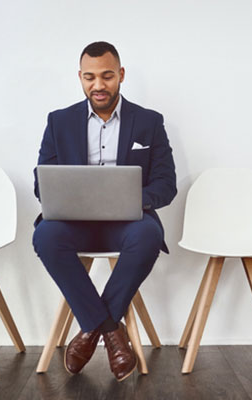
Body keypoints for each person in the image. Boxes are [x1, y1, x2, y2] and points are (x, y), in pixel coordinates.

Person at [33, 41, 177, 382]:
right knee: (46, 236)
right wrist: (61, 196)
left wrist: (131, 201)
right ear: (80, 78)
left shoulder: (149, 122)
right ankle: (111, 330)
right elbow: (42, 183)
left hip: (127, 222)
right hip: (73, 223)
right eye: (90, 77)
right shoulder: (59, 121)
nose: (98, 85)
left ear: (121, 75)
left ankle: (89, 332)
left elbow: (165, 183)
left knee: (148, 235)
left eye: (107, 76)